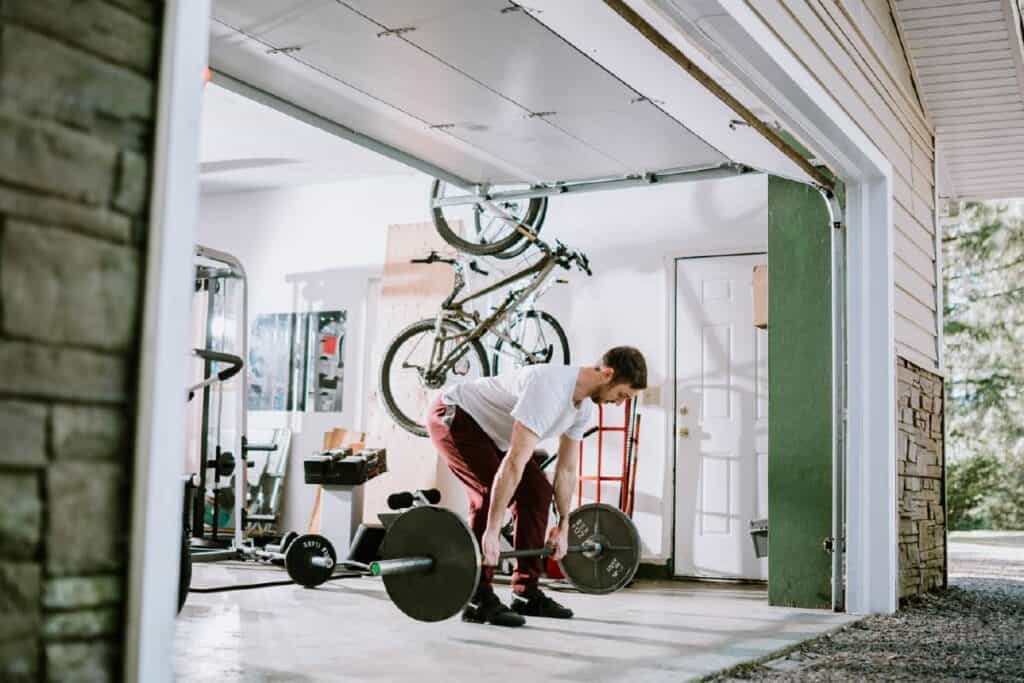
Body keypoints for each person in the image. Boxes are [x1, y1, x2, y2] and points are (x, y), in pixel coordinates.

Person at [426, 346, 648, 627]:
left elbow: (567, 469)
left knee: (537, 492)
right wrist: (493, 529)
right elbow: (515, 462)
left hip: (492, 435)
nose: (619, 403)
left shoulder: (583, 407)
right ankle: (476, 596)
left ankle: (526, 592)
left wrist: (564, 524)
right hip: (455, 415)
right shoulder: (550, 387)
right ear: (607, 374)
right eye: (622, 395)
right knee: (487, 493)